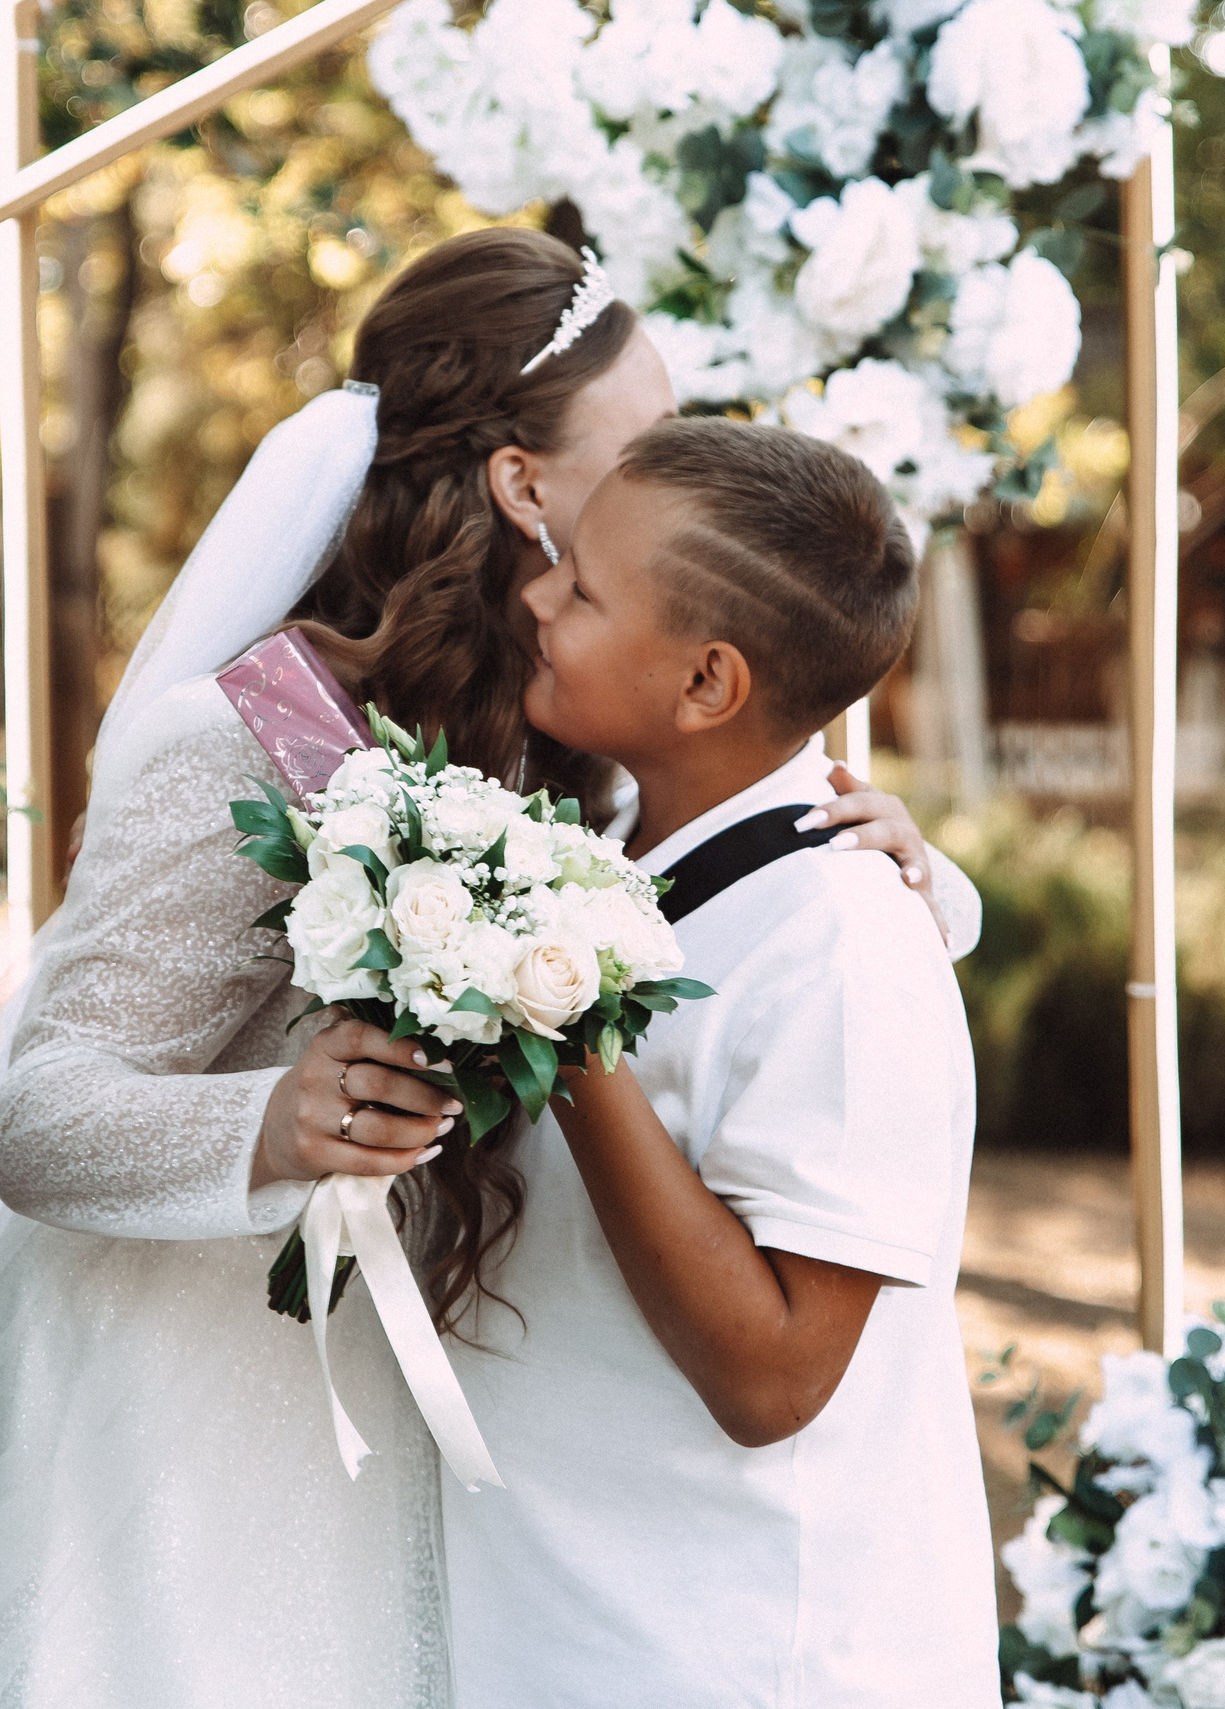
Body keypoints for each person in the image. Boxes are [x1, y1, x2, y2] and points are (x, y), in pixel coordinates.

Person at [0, 230, 980, 1708]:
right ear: (526, 488)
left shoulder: (582, 749)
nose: (688, 462)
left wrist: (910, 866)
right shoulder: (251, 735)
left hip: (421, 1465)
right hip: (172, 1452)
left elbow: (748, 902)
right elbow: (40, 1114)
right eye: (648, 437)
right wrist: (271, 1121)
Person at [432, 418, 995, 1705]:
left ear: (706, 685)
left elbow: (773, 1373)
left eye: (579, 586)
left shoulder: (844, 942)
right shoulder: (624, 844)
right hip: (578, 1608)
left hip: (738, 1648)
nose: (534, 596)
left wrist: (565, 1032)